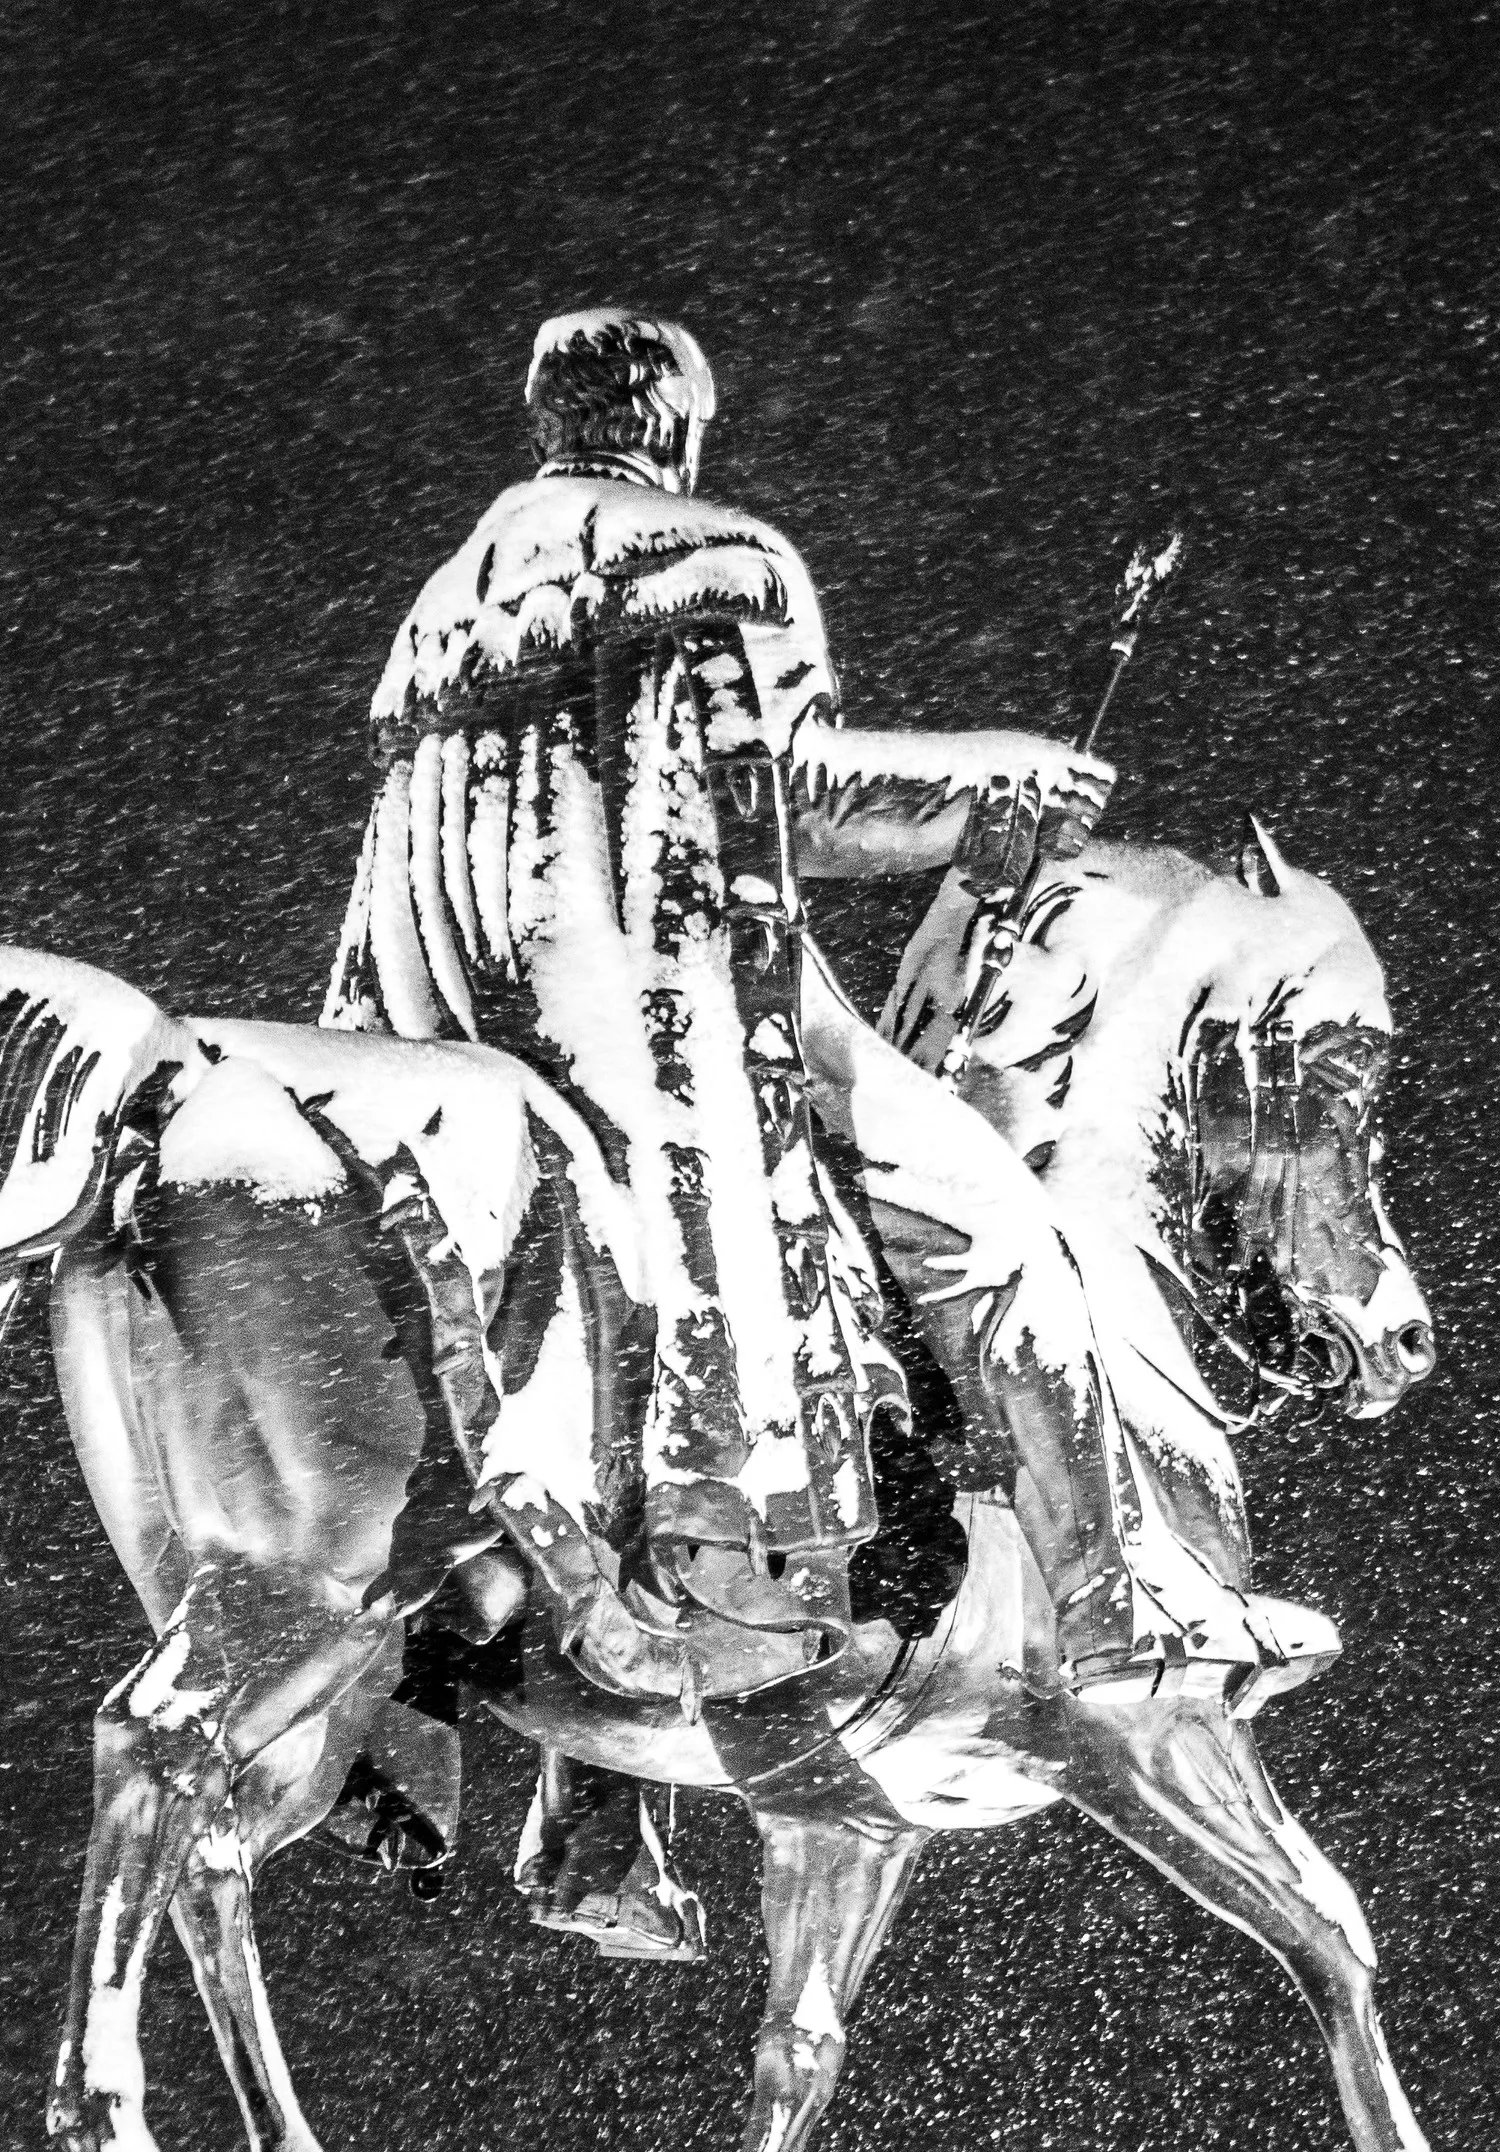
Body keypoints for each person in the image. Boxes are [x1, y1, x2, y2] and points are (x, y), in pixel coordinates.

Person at [322, 309, 1329, 1711]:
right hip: (668, 1003)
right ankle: (1128, 1606)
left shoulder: (441, 605)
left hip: (463, 1015)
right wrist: (998, 785)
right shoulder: (717, 556)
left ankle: (580, 1760)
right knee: (999, 1235)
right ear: (672, 421)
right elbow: (793, 791)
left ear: (552, 419)